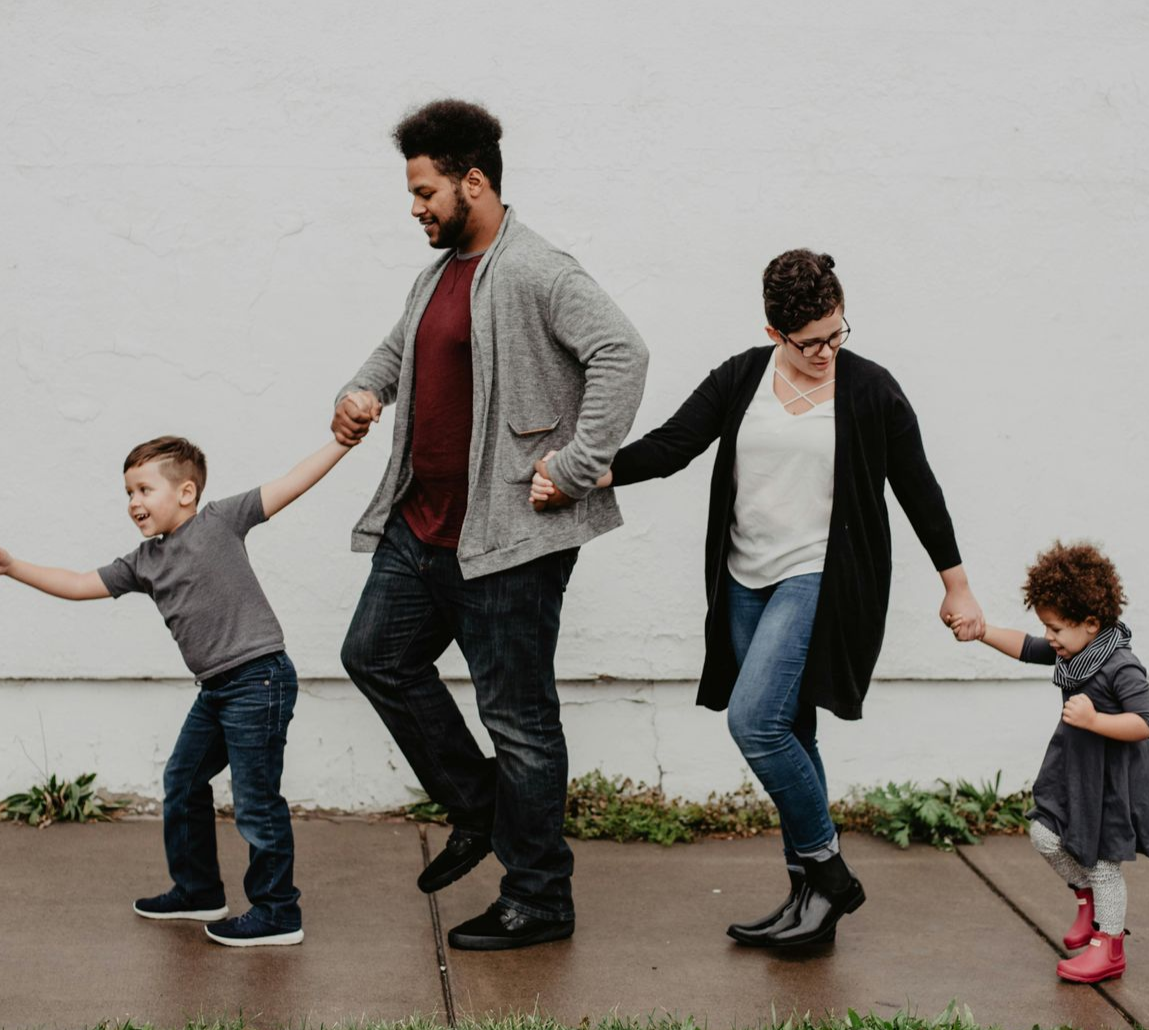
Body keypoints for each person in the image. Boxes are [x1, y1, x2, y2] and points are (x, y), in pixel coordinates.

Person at [532, 248, 984, 947]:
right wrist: (583, 475)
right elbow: (673, 445)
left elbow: (917, 487)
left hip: (818, 577)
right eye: (810, 343)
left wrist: (955, 585)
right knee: (791, 730)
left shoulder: (870, 389)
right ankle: (809, 905)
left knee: (755, 724)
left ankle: (829, 874)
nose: (827, 351)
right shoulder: (743, 376)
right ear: (775, 333)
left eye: (838, 334)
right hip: (744, 579)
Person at [332, 99, 648, 951]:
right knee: (374, 657)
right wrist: (360, 392)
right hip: (421, 527)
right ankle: (479, 811)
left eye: (425, 190)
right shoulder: (437, 274)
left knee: (519, 719)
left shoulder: (538, 269)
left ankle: (539, 896)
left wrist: (576, 466)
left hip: (506, 539)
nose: (415, 207)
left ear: (473, 181)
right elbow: (398, 350)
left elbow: (624, 353)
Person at [0, 434, 350, 946]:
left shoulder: (221, 521)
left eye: (144, 489)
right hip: (216, 689)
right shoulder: (144, 562)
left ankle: (278, 912)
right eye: (128, 493)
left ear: (186, 493)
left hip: (260, 678)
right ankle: (198, 890)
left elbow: (292, 483)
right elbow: (78, 583)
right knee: (183, 781)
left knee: (255, 801)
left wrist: (342, 442)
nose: (133, 503)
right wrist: (11, 567)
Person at [950, 542, 1148, 984]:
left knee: (1102, 863)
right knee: (1043, 833)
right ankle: (1087, 900)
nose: (1050, 637)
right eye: (1047, 627)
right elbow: (1025, 647)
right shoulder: (1073, 652)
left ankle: (1109, 946)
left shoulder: (1121, 665)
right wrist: (981, 630)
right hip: (1073, 772)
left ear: (1092, 623)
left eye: (1056, 628)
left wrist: (1096, 719)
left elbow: (1144, 722)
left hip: (1109, 782)